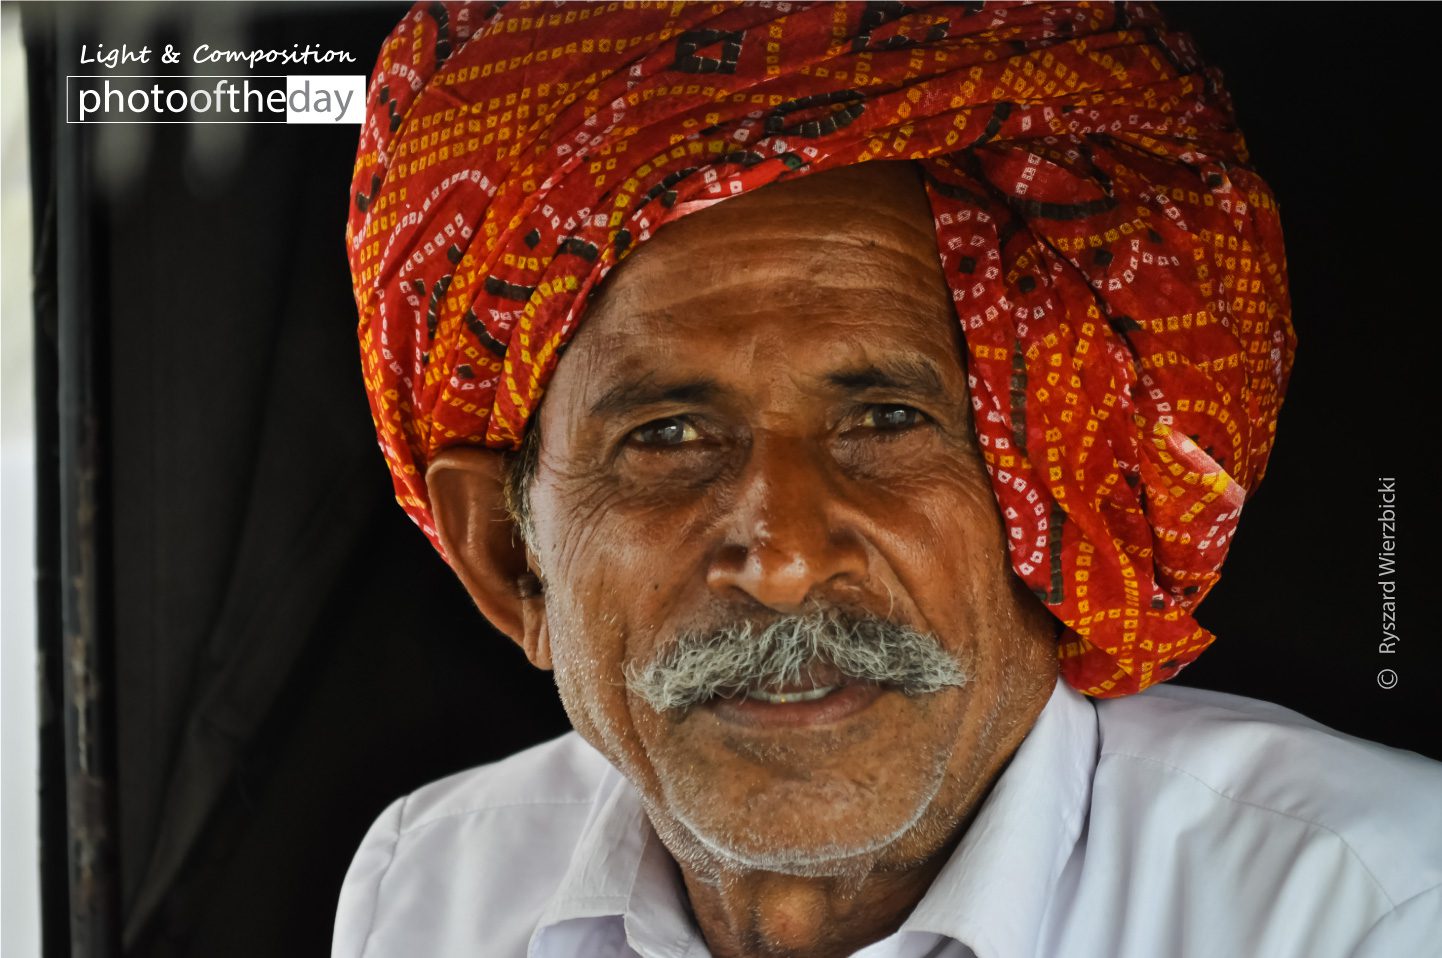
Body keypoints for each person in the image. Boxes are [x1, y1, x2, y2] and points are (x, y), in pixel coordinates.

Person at [334, 3, 1442, 956]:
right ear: (509, 556)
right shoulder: (429, 889)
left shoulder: (1366, 902)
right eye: (668, 436)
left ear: (1050, 495)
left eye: (886, 420)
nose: (782, 559)